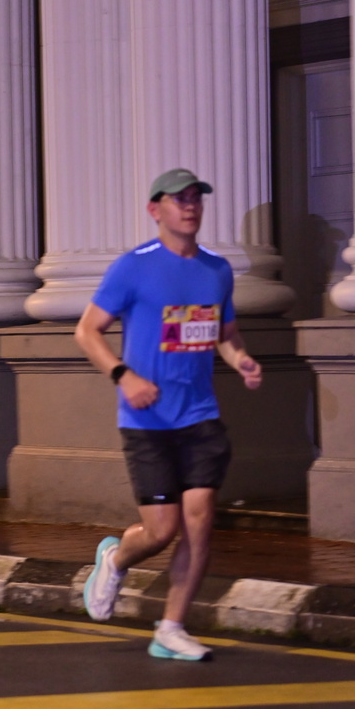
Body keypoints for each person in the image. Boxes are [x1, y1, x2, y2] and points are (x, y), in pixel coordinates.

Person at [74, 168, 262, 661]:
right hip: (148, 421)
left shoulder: (216, 270)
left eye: (196, 197)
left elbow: (223, 333)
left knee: (199, 523)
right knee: (161, 531)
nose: (191, 205)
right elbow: (87, 331)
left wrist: (241, 359)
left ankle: (171, 627)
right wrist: (123, 376)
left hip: (200, 417)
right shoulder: (132, 267)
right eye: (180, 198)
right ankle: (116, 558)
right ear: (155, 209)